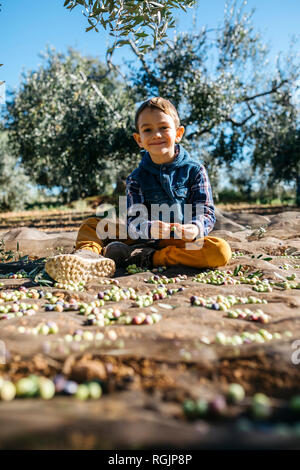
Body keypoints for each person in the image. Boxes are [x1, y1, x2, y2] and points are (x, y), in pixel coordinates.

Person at [45, 97, 231, 283]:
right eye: (147, 130)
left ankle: (147, 258)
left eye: (164, 128)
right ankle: (88, 258)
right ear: (139, 139)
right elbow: (134, 219)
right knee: (93, 225)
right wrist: (149, 228)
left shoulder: (195, 170)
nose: (156, 135)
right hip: (140, 236)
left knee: (219, 251)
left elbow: (205, 211)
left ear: (178, 133)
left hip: (179, 240)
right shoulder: (136, 178)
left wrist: (195, 228)